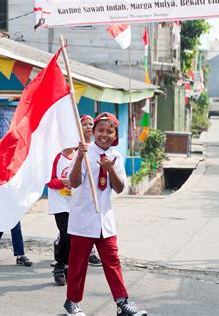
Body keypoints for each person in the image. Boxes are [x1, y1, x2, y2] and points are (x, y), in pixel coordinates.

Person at [63, 112, 146, 316]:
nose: (104, 135)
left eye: (110, 131)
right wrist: (80, 156)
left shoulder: (115, 156)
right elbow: (73, 183)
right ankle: (72, 302)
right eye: (100, 130)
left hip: (105, 220)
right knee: (78, 263)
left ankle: (122, 302)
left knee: (113, 261)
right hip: (83, 218)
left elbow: (118, 188)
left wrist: (110, 170)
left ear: (115, 134)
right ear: (94, 131)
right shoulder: (83, 151)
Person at [47, 147, 75, 286]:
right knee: (66, 233)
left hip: (76, 204)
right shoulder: (57, 157)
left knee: (73, 237)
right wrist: (64, 182)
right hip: (60, 204)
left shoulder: (80, 156)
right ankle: (60, 265)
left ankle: (69, 266)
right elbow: (48, 180)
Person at [80, 114, 102, 267]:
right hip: (79, 193)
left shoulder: (97, 148)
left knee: (94, 219)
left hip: (95, 192)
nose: (88, 127)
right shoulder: (78, 148)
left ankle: (91, 252)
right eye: (85, 124)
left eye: (90, 124)